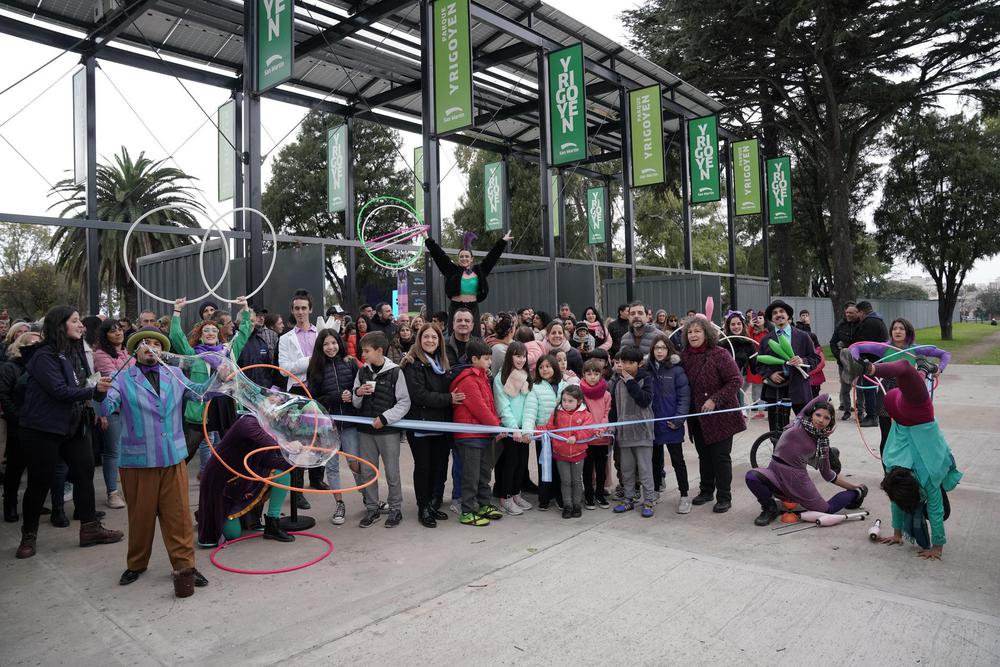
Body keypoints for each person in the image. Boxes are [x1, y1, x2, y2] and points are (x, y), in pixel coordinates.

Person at [99, 327, 210, 595]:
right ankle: (136, 564)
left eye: (156, 344)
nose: (151, 348)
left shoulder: (175, 374)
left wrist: (219, 377)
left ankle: (185, 567)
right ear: (135, 350)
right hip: (138, 462)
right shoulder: (121, 379)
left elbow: (200, 393)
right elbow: (105, 408)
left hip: (173, 458)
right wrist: (99, 393)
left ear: (163, 350)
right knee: (140, 517)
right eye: (145, 344)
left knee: (179, 516)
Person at [15, 306, 123, 560]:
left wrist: (96, 397)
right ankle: (28, 535)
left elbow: (82, 383)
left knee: (84, 473)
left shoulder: (74, 351)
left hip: (74, 424)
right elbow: (60, 391)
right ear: (59, 324)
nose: (81, 325)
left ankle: (90, 529)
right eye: (75, 321)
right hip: (43, 428)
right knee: (40, 481)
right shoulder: (43, 356)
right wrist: (94, 390)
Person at [840, 355, 960, 559]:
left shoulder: (915, 474)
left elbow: (931, 509)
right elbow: (904, 503)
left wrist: (934, 545)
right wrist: (902, 536)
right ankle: (918, 369)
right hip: (910, 414)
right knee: (906, 373)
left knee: (905, 369)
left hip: (905, 413)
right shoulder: (911, 475)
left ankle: (873, 368)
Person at [745, 395, 868, 526]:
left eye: (826, 418)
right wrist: (829, 402)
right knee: (752, 477)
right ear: (812, 414)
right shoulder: (799, 421)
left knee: (826, 510)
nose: (821, 420)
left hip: (797, 481)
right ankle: (769, 508)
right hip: (774, 471)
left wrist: (853, 487)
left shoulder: (822, 443)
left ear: (831, 422)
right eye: (818, 415)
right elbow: (824, 396)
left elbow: (828, 475)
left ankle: (857, 494)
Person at [170, 297, 253, 475]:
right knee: (189, 449)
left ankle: (232, 481)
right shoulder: (193, 355)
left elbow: (245, 332)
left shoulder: (229, 351)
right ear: (200, 335)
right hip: (202, 407)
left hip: (225, 405)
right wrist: (177, 311)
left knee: (232, 451)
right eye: (206, 330)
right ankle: (172, 479)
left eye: (213, 330)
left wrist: (245, 308)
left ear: (218, 334)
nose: (210, 333)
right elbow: (176, 337)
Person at [845, 318, 950, 455]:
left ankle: (905, 471)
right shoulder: (884, 348)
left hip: (908, 392)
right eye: (895, 329)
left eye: (901, 328)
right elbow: (855, 347)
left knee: (907, 436)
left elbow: (945, 354)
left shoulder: (916, 349)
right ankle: (887, 473)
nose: (897, 331)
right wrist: (857, 365)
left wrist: (939, 370)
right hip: (886, 391)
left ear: (908, 332)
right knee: (887, 436)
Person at [195, 408, 294, 547]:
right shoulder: (248, 423)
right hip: (222, 481)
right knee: (233, 534)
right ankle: (213, 514)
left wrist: (296, 461)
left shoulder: (269, 428)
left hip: (244, 478)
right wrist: (289, 446)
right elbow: (269, 442)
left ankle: (273, 523)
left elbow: (268, 460)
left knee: (281, 474)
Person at [680, 315, 745, 514]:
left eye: (697, 331)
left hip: (721, 416)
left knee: (720, 457)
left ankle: (724, 496)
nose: (693, 335)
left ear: (706, 333)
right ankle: (706, 490)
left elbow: (736, 380)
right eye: (690, 332)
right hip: (698, 417)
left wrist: (715, 400)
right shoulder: (684, 357)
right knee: (704, 456)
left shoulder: (719, 354)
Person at [352, 331, 411, 528]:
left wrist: (385, 418)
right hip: (366, 432)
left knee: (392, 472)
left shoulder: (395, 372)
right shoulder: (362, 372)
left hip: (388, 432)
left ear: (379, 350)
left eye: (367, 351)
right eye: (362, 350)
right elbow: (356, 403)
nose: (363, 354)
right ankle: (372, 508)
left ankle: (395, 509)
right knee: (367, 472)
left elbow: (404, 402)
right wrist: (358, 393)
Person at [400, 323, 455, 528]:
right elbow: (419, 395)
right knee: (423, 468)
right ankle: (422, 507)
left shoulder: (442, 363)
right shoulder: (413, 364)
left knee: (438, 467)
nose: (430, 340)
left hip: (441, 426)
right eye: (426, 337)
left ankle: (432, 504)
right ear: (419, 340)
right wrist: (449, 398)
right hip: (420, 425)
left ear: (439, 341)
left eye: (434, 337)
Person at [307, 329, 359, 526]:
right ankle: (339, 504)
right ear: (321, 347)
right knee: (332, 466)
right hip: (328, 427)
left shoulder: (350, 362)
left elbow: (359, 388)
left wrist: (352, 396)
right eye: (326, 344)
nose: (331, 347)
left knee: (356, 464)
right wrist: (334, 398)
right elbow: (312, 400)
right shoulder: (315, 368)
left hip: (351, 423)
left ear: (339, 343)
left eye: (334, 343)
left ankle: (368, 498)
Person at [277, 291, 327, 497]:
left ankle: (317, 479)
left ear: (311, 309)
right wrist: (310, 360)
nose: (300, 312)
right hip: (297, 393)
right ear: (292, 310)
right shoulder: (286, 339)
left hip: (319, 389)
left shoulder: (321, 334)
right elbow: (283, 369)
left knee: (320, 437)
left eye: (304, 308)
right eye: (297, 308)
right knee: (298, 441)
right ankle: (297, 491)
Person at [450, 339, 504, 526]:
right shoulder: (468, 380)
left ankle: (483, 504)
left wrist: (495, 424)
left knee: (483, 474)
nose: (490, 362)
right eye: (487, 358)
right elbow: (479, 408)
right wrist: (497, 426)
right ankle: (467, 510)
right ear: (474, 358)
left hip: (483, 435)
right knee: (470, 476)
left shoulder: (482, 377)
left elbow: (490, 404)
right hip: (470, 435)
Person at [425, 231, 512, 328]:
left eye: (467, 256)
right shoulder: (452, 270)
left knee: (474, 337)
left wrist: (503, 241)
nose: (464, 258)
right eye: (461, 256)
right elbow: (438, 255)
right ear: (458, 259)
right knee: (454, 336)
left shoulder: (479, 271)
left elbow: (492, 257)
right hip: (455, 307)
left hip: (472, 307)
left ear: (471, 259)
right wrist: (426, 238)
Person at [757, 300, 820, 432]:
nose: (778, 315)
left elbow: (815, 358)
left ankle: (809, 451)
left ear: (788, 316)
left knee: (807, 426)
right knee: (777, 431)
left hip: (799, 387)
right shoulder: (766, 340)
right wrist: (769, 374)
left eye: (781, 312)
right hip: (775, 390)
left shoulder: (803, 336)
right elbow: (759, 364)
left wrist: (802, 360)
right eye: (775, 313)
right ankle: (778, 451)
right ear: (772, 318)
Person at [91, 318, 134, 510]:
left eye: (120, 329)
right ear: (104, 335)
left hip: (130, 408)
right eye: (112, 331)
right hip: (112, 408)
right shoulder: (100, 354)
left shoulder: (126, 352)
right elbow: (116, 379)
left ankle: (127, 489)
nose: (118, 333)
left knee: (126, 451)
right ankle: (111, 492)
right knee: (112, 452)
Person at [609, 346, 657, 517]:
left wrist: (630, 381)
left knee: (644, 470)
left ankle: (649, 500)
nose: (626, 366)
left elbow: (644, 401)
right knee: (627, 469)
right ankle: (628, 499)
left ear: (639, 364)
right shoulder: (616, 382)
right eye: (623, 362)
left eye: (631, 363)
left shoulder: (646, 379)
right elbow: (614, 407)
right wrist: (613, 426)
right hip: (624, 433)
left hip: (642, 433)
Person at [647, 334, 692, 513]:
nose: (659, 351)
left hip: (672, 424)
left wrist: (678, 419)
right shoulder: (648, 369)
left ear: (668, 350)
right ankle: (656, 490)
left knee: (677, 460)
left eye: (663, 348)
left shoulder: (677, 370)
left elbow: (684, 397)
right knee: (655, 460)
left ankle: (684, 495)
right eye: (656, 348)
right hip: (654, 424)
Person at [1, 331, 41, 522]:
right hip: (19, 425)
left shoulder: (43, 367)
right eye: (31, 343)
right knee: (15, 469)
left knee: (37, 468)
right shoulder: (10, 368)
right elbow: (4, 396)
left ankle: (34, 504)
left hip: (39, 425)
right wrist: (16, 417)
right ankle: (10, 504)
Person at [492, 341, 533, 516]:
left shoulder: (526, 376)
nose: (521, 359)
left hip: (524, 429)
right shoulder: (500, 379)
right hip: (509, 429)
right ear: (510, 356)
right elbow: (503, 407)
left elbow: (529, 405)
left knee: (522, 463)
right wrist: (514, 429)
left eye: (523, 356)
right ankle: (505, 497)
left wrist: (526, 429)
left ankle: (516, 493)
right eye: (517, 355)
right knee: (509, 463)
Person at [545, 385, 596, 520]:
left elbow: (588, 430)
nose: (566, 404)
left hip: (578, 453)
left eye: (570, 401)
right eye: (564, 400)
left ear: (579, 402)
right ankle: (567, 505)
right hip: (560, 454)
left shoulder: (585, 414)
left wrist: (576, 437)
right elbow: (550, 428)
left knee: (576, 480)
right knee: (565, 481)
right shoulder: (557, 412)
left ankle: (577, 505)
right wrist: (540, 430)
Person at [523, 354, 566, 510]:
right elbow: (530, 411)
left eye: (548, 366)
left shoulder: (564, 385)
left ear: (554, 366)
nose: (544, 369)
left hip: (562, 435)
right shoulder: (535, 387)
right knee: (545, 466)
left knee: (560, 467)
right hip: (544, 436)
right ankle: (545, 498)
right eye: (541, 367)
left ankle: (560, 496)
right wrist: (528, 431)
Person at [579, 359, 612, 509]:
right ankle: (588, 495)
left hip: (602, 438)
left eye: (596, 373)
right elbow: (583, 414)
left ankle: (599, 494)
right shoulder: (580, 393)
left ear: (601, 374)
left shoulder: (606, 395)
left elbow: (606, 414)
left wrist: (601, 429)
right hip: (587, 439)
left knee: (601, 469)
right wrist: (593, 429)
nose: (592, 377)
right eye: (589, 373)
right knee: (587, 469)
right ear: (583, 375)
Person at [854, 301, 889, 427]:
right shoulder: (877, 320)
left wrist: (862, 358)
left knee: (870, 389)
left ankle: (872, 416)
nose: (857, 316)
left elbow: (865, 343)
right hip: (876, 360)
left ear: (862, 312)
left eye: (857, 312)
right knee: (872, 389)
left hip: (871, 362)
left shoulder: (869, 323)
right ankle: (873, 415)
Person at [830, 302, 861, 421]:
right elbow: (832, 342)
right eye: (847, 312)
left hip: (859, 362)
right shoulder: (840, 325)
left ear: (857, 313)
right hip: (844, 363)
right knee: (845, 388)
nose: (848, 314)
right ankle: (847, 410)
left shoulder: (862, 325)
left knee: (860, 388)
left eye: (851, 313)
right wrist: (840, 357)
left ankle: (861, 410)